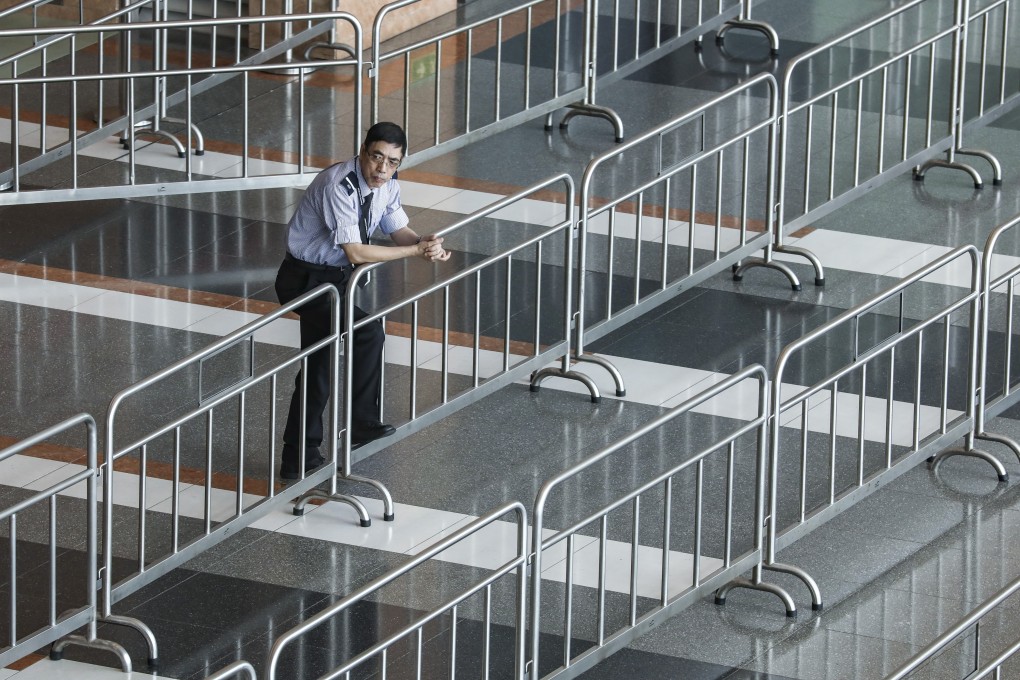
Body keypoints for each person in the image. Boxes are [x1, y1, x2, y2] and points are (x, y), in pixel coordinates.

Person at [275, 122, 450, 480]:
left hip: (334, 281)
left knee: (319, 367)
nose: (383, 169)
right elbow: (354, 251)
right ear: (363, 151)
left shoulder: (387, 187)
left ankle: (298, 457)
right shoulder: (340, 184)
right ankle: (359, 422)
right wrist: (413, 251)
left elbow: (397, 228)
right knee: (368, 333)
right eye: (377, 157)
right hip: (305, 279)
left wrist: (424, 242)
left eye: (392, 162)